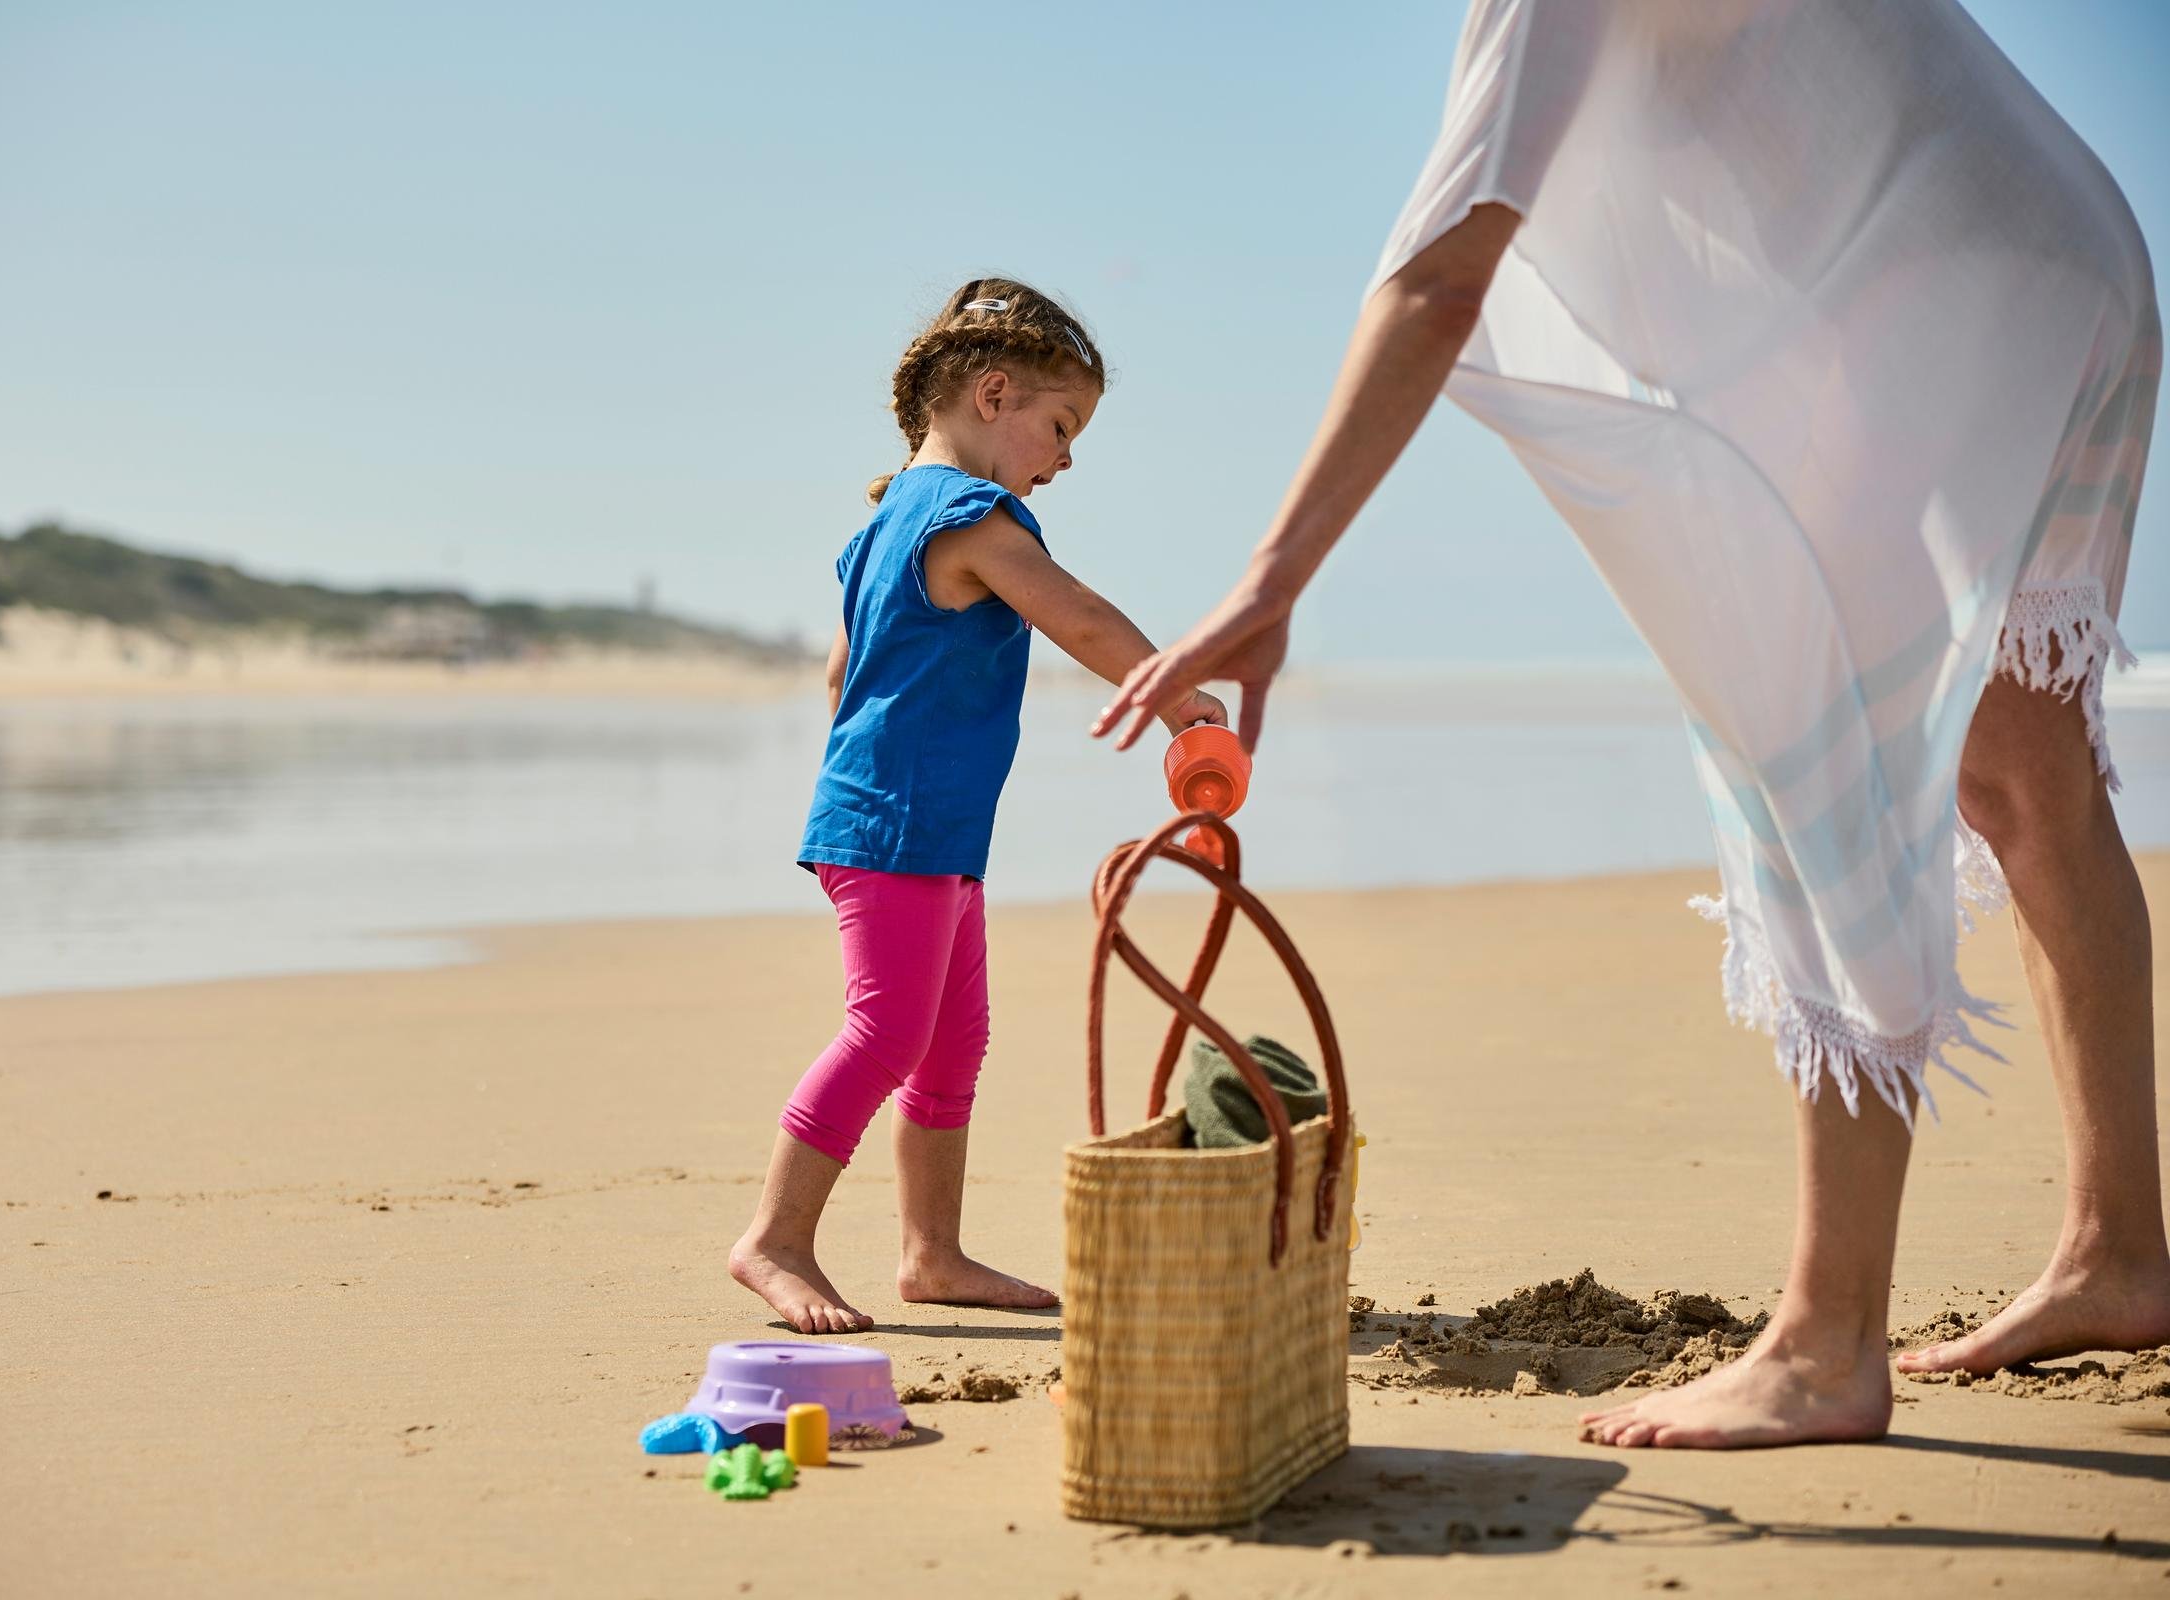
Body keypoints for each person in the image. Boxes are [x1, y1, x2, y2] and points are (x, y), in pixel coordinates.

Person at [1093, 0, 2164, 1447]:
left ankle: (1825, 1339)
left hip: (1943, 297)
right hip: (2067, 250)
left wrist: (1272, 582)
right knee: (2028, 770)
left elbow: (1440, 276)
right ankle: (2121, 1252)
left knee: (1808, 720)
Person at [731, 279, 1229, 1334]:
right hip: (899, 825)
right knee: (887, 1030)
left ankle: (932, 1252)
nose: (1065, 457)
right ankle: (774, 1240)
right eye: (1062, 425)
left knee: (953, 1042)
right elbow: (1078, 617)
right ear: (994, 394)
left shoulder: (882, 525)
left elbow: (839, 675)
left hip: (923, 825)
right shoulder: (972, 519)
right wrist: (1180, 701)